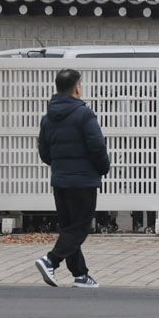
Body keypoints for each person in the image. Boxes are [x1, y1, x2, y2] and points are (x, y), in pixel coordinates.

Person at [33, 67, 109, 289]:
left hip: (60, 181)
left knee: (69, 228)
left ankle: (81, 275)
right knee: (79, 228)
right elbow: (97, 147)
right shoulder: (84, 114)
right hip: (83, 181)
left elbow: (44, 152)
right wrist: (103, 168)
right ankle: (50, 260)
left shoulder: (48, 119)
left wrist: (60, 167)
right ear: (77, 87)